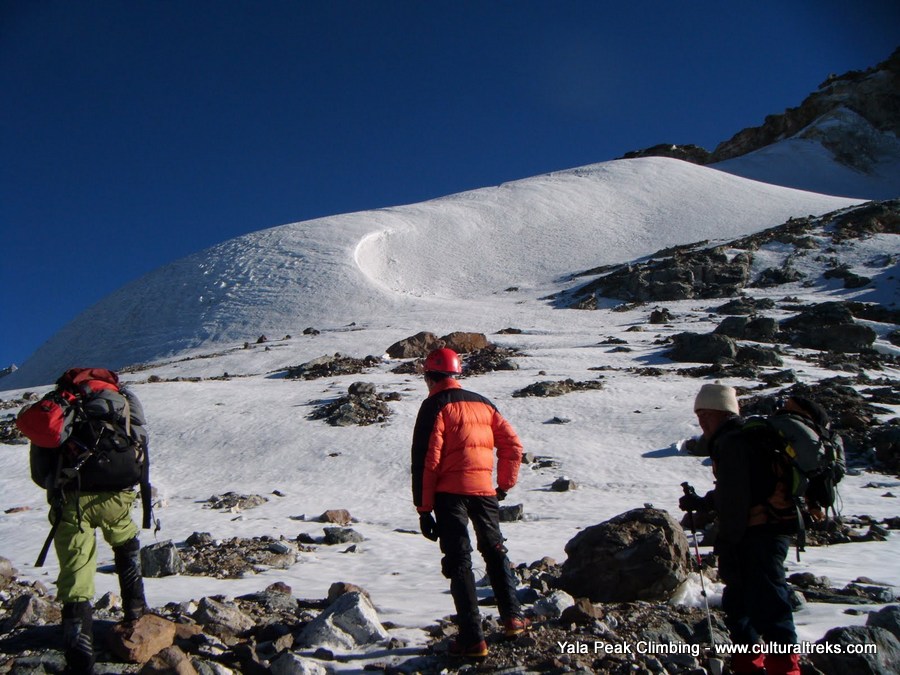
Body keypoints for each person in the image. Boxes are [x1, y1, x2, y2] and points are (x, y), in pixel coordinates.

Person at [29, 369, 150, 675]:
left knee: (76, 568)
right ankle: (135, 608)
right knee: (125, 541)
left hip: (73, 500)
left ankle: (78, 647)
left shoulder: (60, 405)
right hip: (117, 496)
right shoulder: (120, 401)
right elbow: (140, 441)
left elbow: (40, 466)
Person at [410, 347, 529, 657]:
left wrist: (424, 509)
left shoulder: (434, 405)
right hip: (484, 492)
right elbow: (513, 446)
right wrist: (502, 486)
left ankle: (473, 639)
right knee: (495, 550)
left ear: (431, 376)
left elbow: (426, 462)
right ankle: (513, 618)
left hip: (450, 496)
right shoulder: (483, 404)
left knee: (459, 561)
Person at [679, 383, 800, 675]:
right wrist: (706, 502)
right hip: (760, 534)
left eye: (708, 414)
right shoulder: (737, 439)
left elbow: (735, 496)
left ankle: (780, 669)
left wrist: (721, 530)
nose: (702, 421)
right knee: (749, 603)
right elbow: (736, 491)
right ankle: (759, 665)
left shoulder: (732, 441)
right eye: (699, 415)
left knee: (765, 605)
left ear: (725, 412)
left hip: (755, 535)